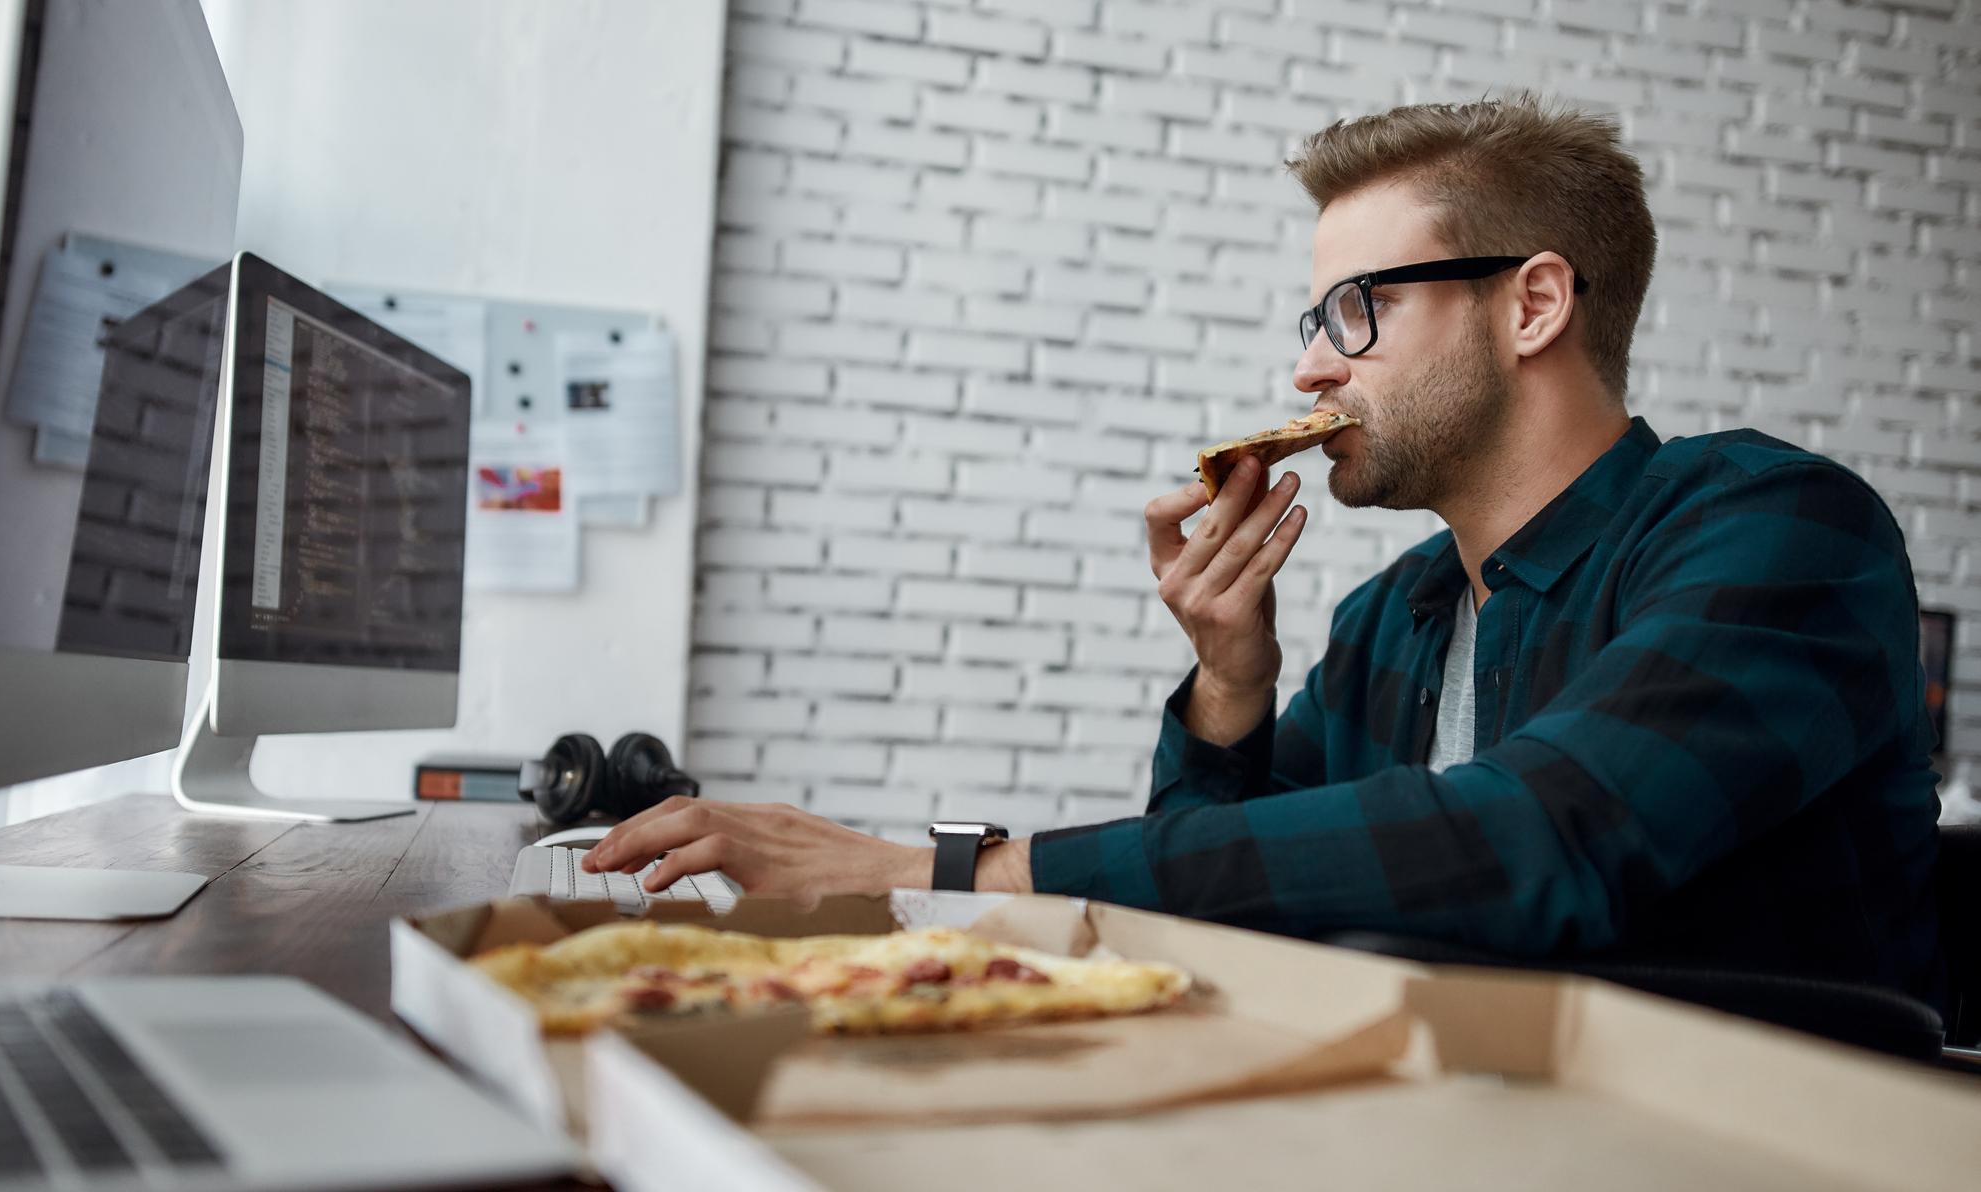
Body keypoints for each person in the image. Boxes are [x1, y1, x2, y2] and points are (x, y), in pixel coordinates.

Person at [584, 95, 1942, 1002]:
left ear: (1532, 304)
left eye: (1352, 310)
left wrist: (947, 871)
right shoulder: (1396, 617)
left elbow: (1548, 838)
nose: (1305, 363)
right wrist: (1230, 687)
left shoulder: (1779, 529)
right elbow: (1211, 898)